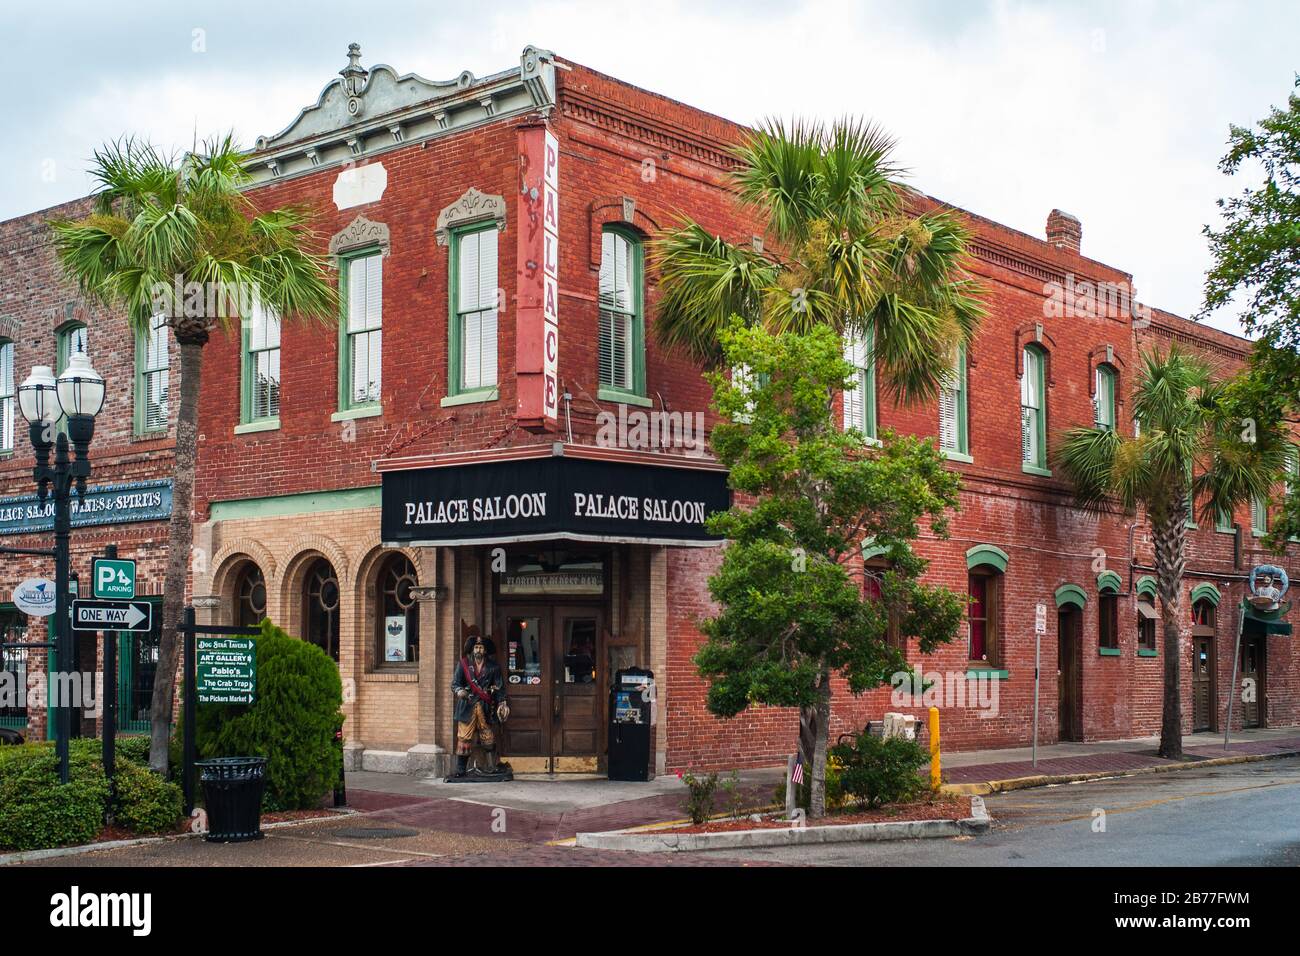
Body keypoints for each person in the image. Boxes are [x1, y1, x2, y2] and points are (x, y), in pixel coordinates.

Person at [450, 626, 509, 776]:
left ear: (485, 650)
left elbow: (500, 688)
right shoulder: (463, 664)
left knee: (488, 736)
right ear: (472, 649)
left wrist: (502, 703)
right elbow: (455, 683)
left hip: (485, 706)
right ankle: (460, 770)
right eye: (476, 647)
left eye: (481, 647)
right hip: (467, 705)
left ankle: (492, 766)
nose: (478, 650)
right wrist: (460, 691)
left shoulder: (493, 666)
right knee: (464, 737)